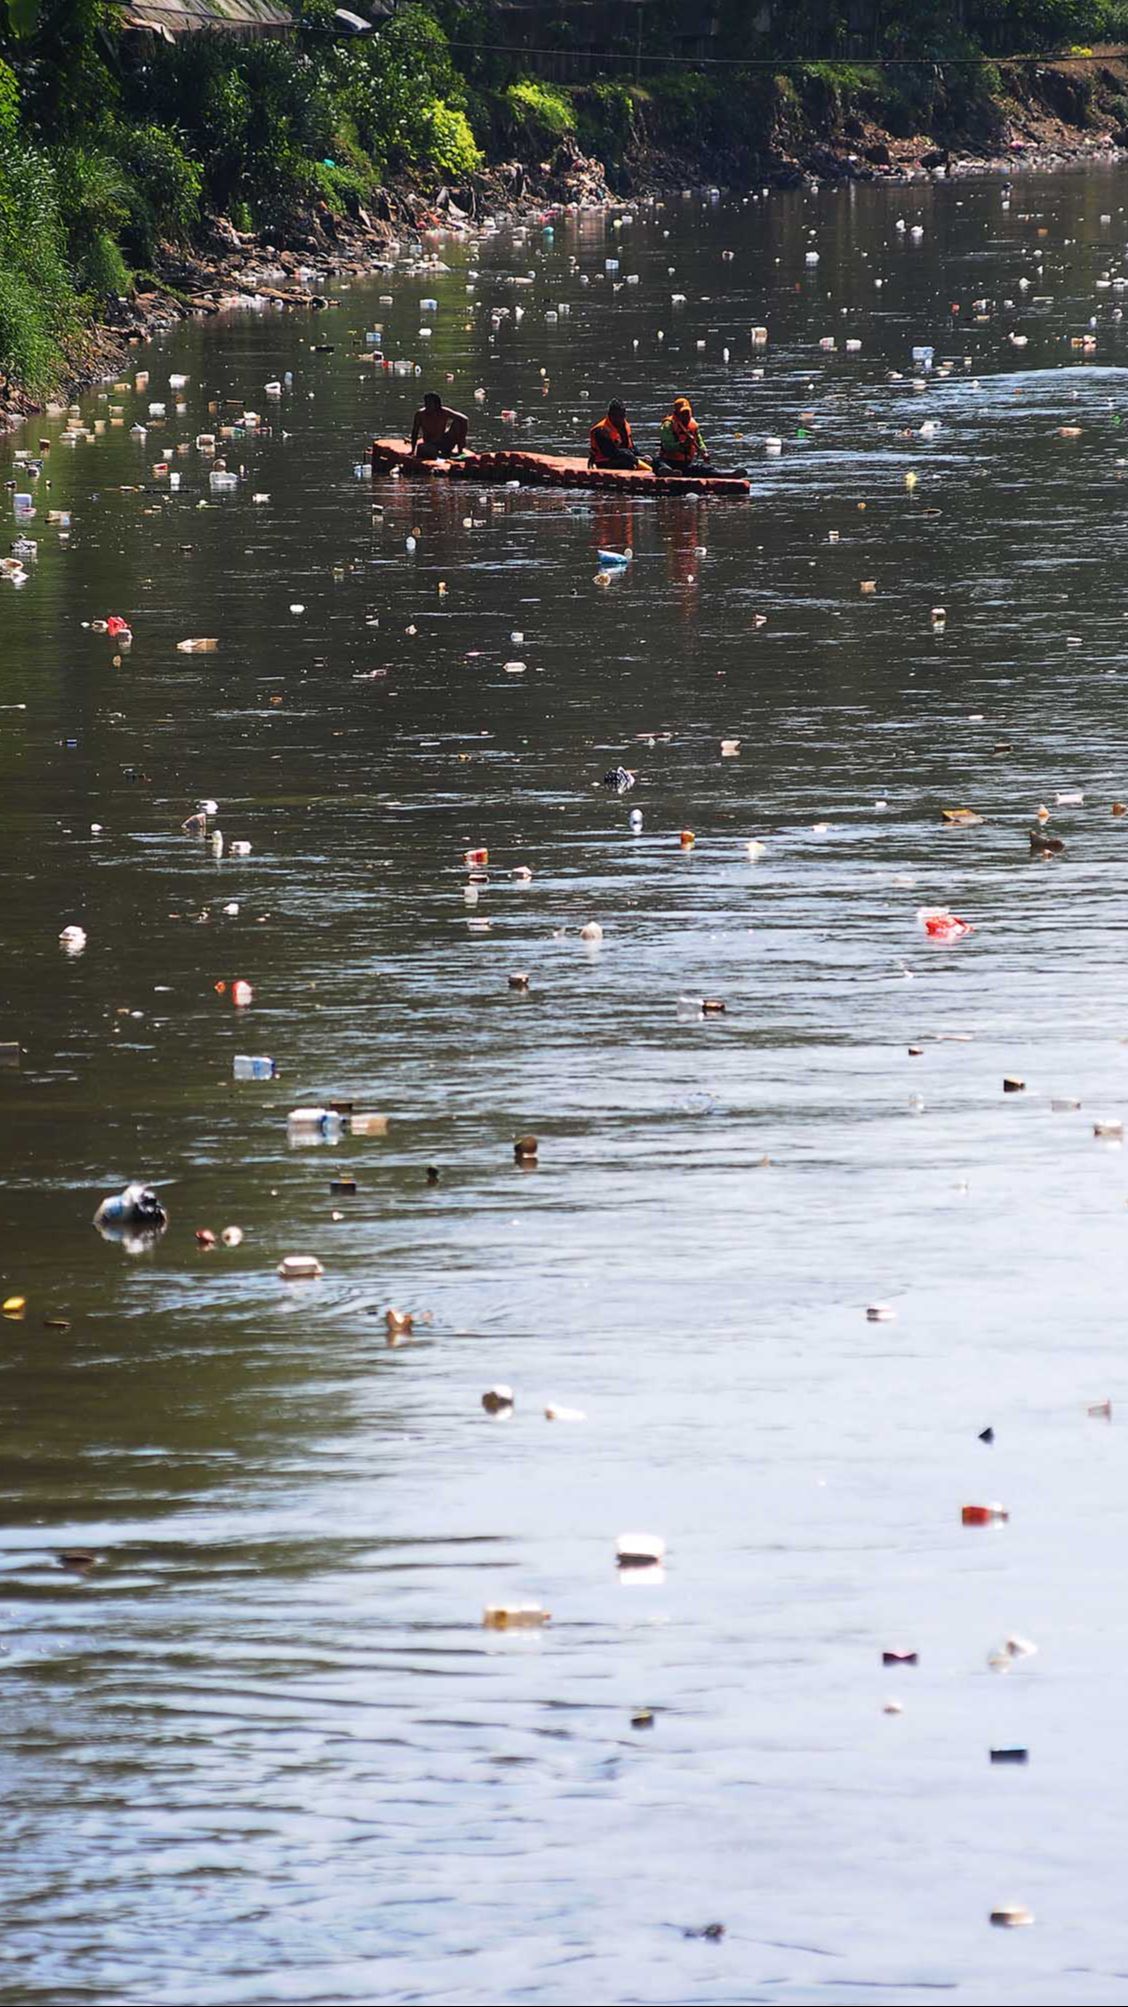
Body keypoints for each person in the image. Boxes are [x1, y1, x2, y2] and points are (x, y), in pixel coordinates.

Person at [654, 395, 714, 475]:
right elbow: (667, 446)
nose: (686, 416)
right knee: (657, 463)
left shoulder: (694, 425)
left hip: (686, 464)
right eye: (683, 413)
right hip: (669, 461)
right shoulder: (668, 425)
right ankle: (669, 472)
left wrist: (704, 451)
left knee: (705, 468)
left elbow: (699, 441)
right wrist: (682, 444)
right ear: (677, 413)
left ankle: (723, 474)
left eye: (687, 413)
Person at [411, 392, 469, 459]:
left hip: (444, 441)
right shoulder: (420, 414)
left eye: (430, 403)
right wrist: (413, 450)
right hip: (430, 443)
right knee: (422, 448)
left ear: (436, 404)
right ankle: (441, 454)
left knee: (458, 422)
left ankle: (459, 451)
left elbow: (464, 419)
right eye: (426, 403)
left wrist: (462, 441)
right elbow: (415, 432)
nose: (427, 405)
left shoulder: (444, 411)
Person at [588, 398, 642, 470]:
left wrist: (642, 456)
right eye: (616, 416)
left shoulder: (624, 426)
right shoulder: (601, 430)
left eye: (622, 416)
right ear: (610, 415)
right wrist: (628, 454)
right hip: (604, 461)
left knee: (650, 460)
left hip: (623, 457)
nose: (619, 419)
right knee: (628, 463)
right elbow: (609, 452)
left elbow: (631, 446)